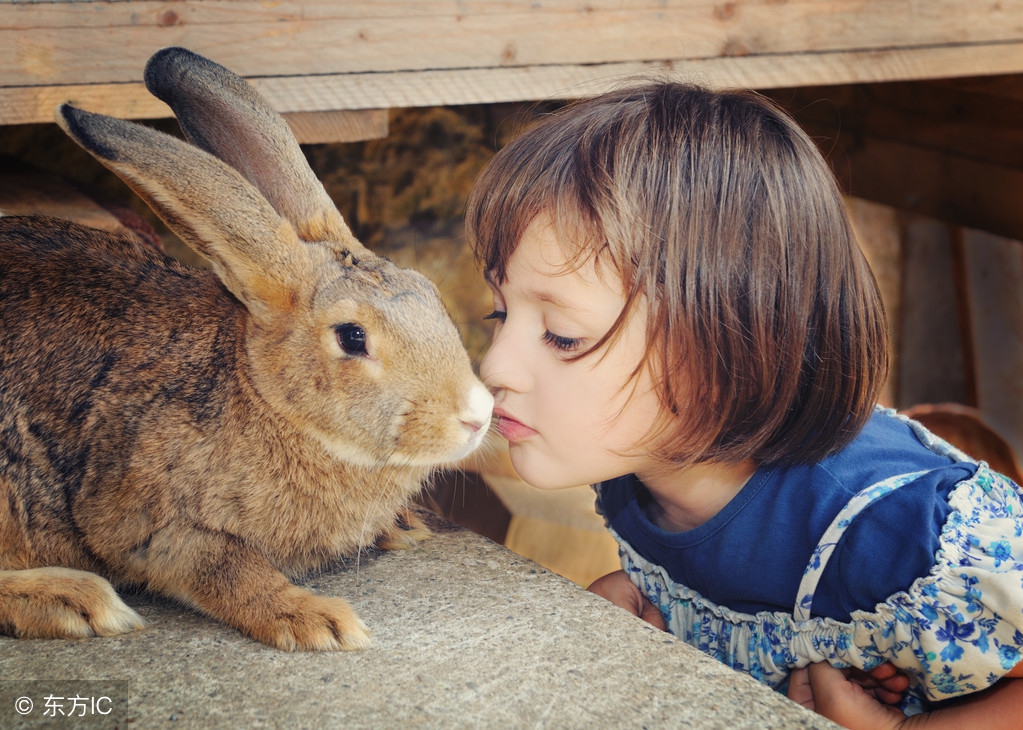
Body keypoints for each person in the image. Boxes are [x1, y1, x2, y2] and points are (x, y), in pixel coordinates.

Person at [465, 81, 1023, 728]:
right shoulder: (636, 475)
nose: (495, 365)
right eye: (498, 314)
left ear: (729, 350)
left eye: (562, 335)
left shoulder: (897, 532)